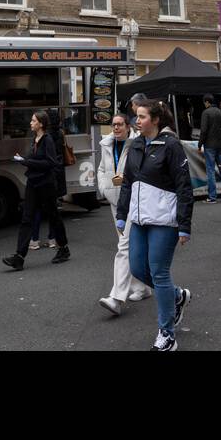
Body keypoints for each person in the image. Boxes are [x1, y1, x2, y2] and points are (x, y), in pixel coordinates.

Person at [117, 99, 192, 351]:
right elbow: (127, 182)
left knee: (159, 274)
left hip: (164, 220)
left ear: (156, 120)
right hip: (139, 219)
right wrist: (122, 213)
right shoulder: (136, 144)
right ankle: (177, 296)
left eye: (142, 116)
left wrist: (184, 225)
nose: (137, 121)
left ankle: (167, 334)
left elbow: (184, 185)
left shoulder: (171, 145)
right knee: (138, 269)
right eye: (136, 116)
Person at [3, 110, 70, 270]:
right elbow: (32, 159)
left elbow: (50, 163)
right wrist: (24, 159)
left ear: (41, 124)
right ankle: (19, 256)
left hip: (46, 184)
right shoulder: (35, 139)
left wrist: (27, 162)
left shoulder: (47, 140)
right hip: (33, 182)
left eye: (33, 121)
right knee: (27, 218)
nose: (31, 123)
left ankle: (63, 248)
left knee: (53, 216)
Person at [97, 114, 149, 315]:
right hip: (114, 200)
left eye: (120, 124)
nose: (116, 128)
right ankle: (142, 288)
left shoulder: (136, 144)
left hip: (132, 201)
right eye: (113, 125)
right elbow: (102, 168)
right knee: (130, 245)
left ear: (128, 127)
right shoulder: (106, 144)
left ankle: (117, 297)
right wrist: (104, 187)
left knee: (124, 246)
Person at [197, 94, 221, 203]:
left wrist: (199, 144)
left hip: (210, 145)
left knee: (210, 171)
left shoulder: (205, 113)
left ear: (206, 102)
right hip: (220, 145)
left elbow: (204, 130)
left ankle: (212, 197)